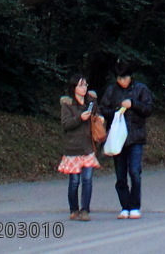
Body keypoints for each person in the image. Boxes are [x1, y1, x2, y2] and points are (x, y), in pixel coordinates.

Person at [99, 62, 154, 220]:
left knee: (135, 172)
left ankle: (135, 206)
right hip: (117, 138)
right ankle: (125, 206)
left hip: (136, 136)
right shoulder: (111, 90)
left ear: (131, 77)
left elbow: (149, 109)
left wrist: (133, 104)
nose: (122, 81)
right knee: (120, 175)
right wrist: (116, 111)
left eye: (125, 78)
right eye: (119, 78)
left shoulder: (141, 89)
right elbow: (104, 109)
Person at [58, 76, 101, 221]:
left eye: (85, 85)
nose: (84, 88)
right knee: (74, 181)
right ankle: (74, 209)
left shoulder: (91, 102)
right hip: (72, 148)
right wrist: (80, 118)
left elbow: (98, 115)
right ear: (74, 87)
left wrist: (100, 119)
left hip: (88, 146)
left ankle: (85, 210)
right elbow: (66, 124)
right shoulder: (68, 104)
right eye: (81, 85)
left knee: (87, 179)